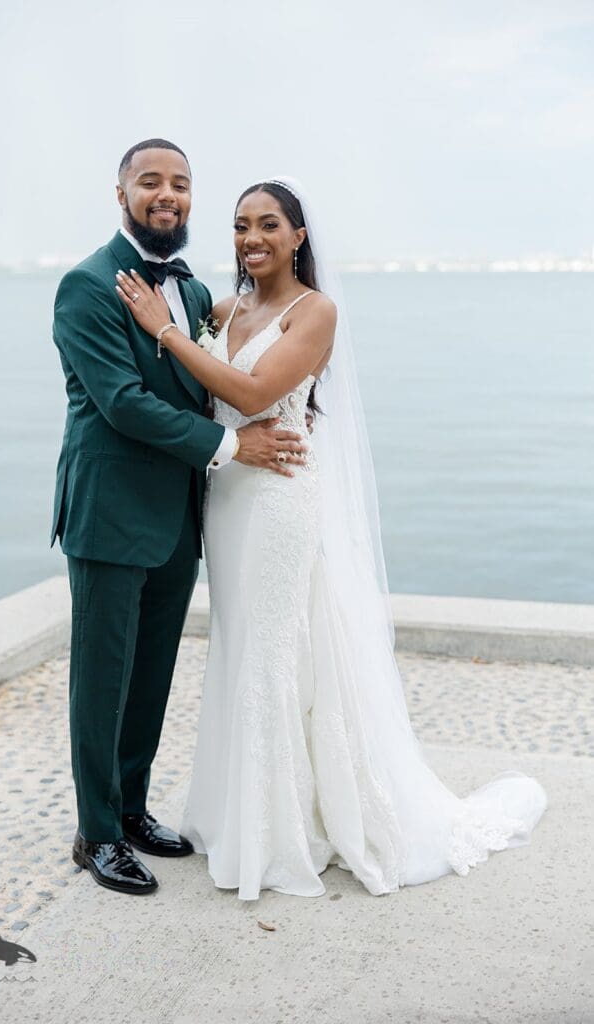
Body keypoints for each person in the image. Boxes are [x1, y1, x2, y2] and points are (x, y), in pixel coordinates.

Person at [117, 175, 548, 901]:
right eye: (239, 225)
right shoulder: (227, 309)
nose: (251, 238)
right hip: (226, 500)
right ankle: (238, 816)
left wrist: (162, 328)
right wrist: (165, 321)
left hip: (281, 502)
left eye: (267, 225)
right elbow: (203, 385)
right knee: (240, 645)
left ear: (297, 236)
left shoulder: (314, 311)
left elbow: (252, 395)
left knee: (275, 651)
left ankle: (279, 835)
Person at [51, 141, 307, 896]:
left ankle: (131, 810)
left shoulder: (193, 293)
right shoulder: (86, 286)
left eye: (182, 185)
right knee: (102, 678)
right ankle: (96, 834)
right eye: (151, 182)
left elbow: (220, 372)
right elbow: (122, 403)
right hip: (109, 513)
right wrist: (232, 446)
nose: (168, 196)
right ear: (122, 192)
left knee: (152, 674)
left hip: (179, 514)